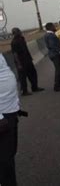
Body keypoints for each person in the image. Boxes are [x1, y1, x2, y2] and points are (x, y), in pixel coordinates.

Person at [0, 53, 21, 186]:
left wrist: (15, 104)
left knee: (9, 154)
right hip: (2, 117)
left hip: (9, 112)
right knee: (4, 160)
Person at [10, 28, 44, 96]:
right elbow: (15, 54)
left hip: (28, 60)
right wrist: (19, 64)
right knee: (22, 77)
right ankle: (24, 91)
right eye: (17, 32)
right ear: (14, 34)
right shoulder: (14, 42)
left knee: (33, 73)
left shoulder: (22, 39)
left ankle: (35, 87)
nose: (19, 33)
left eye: (19, 31)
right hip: (21, 62)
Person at [44, 23, 60, 92]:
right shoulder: (51, 35)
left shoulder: (47, 35)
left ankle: (57, 85)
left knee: (58, 69)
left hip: (52, 54)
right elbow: (52, 45)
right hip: (55, 55)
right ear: (50, 27)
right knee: (58, 70)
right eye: (54, 26)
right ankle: (57, 86)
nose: (55, 27)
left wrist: (59, 41)